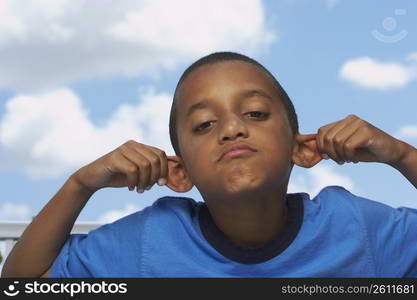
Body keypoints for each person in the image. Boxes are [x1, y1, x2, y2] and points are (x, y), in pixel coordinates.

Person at [2, 52, 416, 278]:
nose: (232, 128)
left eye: (254, 113)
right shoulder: (149, 240)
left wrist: (403, 155)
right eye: (204, 124)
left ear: (302, 149)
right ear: (179, 173)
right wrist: (80, 184)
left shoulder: (358, 228)